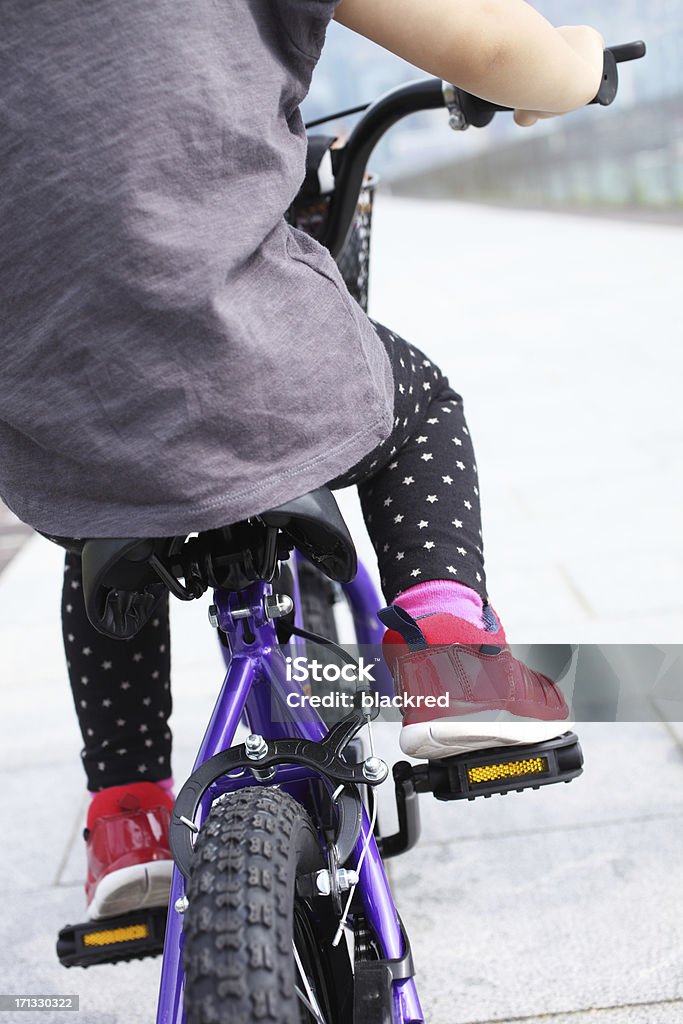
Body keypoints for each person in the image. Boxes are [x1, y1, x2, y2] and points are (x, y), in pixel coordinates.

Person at [0, 0, 604, 920]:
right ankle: (456, 672)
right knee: (421, 406)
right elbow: (489, 44)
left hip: (41, 393)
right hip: (236, 343)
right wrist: (571, 63)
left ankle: (126, 817)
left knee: (102, 527)